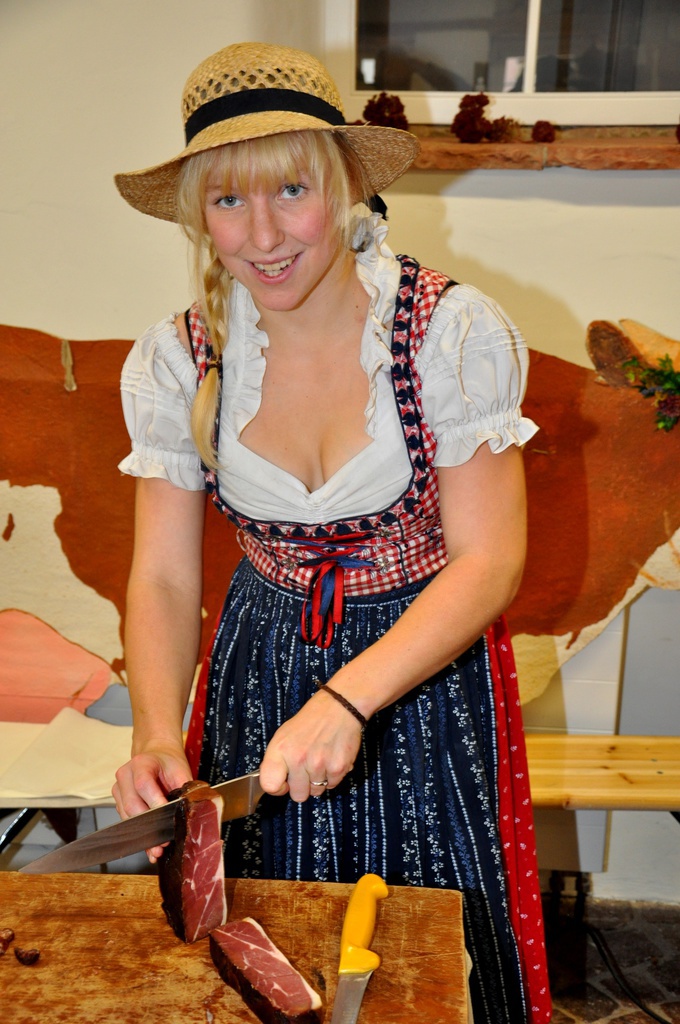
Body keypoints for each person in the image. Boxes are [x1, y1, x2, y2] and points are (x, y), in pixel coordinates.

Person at [112, 41, 551, 1024]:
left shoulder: (445, 333)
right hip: (259, 670)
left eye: (291, 190)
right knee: (268, 947)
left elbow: (488, 560)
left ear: (345, 184)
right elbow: (165, 579)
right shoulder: (183, 358)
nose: (263, 234)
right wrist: (153, 728)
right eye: (228, 200)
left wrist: (349, 700)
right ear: (197, 214)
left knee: (418, 955)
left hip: (419, 675)